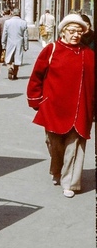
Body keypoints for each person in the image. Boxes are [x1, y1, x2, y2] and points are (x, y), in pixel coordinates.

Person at [26, 14, 95, 198]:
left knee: (75, 146)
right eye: (72, 31)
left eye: (79, 32)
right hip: (54, 107)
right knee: (54, 144)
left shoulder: (88, 54)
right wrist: (35, 99)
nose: (75, 35)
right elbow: (36, 77)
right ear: (63, 31)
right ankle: (57, 169)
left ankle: (70, 182)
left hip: (80, 109)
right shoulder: (51, 49)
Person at [2, 8, 28, 80]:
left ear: (12, 13)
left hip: (10, 42)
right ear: (19, 13)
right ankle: (15, 74)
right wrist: (26, 46)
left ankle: (10, 68)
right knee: (17, 59)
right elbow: (25, 36)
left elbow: (5, 34)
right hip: (19, 42)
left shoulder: (7, 22)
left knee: (8, 58)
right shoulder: (23, 22)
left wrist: (3, 44)